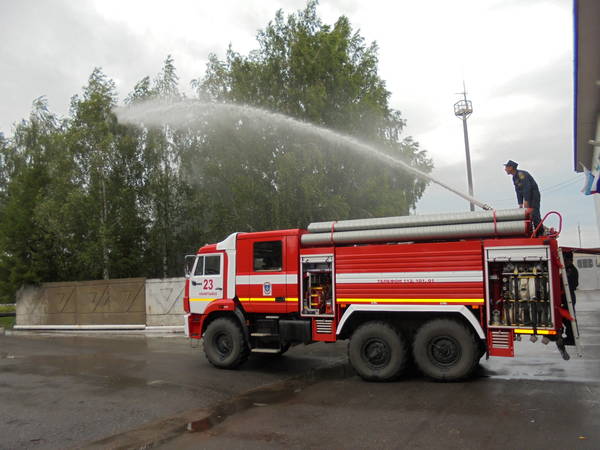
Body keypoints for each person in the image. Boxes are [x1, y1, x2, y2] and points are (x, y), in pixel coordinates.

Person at [504, 160, 542, 232]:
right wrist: (520, 203)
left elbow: (527, 188)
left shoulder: (521, 174)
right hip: (528, 196)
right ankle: (532, 230)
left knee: (534, 213)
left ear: (511, 168)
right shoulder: (514, 177)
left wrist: (526, 200)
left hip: (533, 195)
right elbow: (518, 191)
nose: (505, 169)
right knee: (527, 214)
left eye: (506, 167)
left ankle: (540, 232)